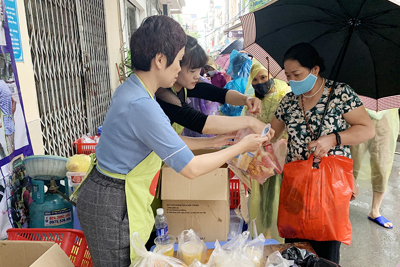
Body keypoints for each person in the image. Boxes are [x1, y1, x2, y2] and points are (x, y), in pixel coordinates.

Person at [75, 16, 273, 267]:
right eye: (179, 61)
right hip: (113, 201)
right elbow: (190, 168)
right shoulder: (143, 105)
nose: (180, 70)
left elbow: (170, 142)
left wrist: (215, 142)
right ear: (160, 60)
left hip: (109, 193)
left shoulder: (133, 89)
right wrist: (242, 145)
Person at [270, 43, 375, 264]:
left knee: (326, 248)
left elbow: (367, 128)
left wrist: (333, 138)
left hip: (330, 185)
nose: (291, 80)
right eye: (288, 75)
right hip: (296, 187)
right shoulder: (288, 101)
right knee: (294, 249)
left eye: (297, 74)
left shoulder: (340, 93)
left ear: (315, 70)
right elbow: (271, 134)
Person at [156, 35, 266, 136]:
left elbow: (219, 94)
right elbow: (200, 122)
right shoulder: (163, 93)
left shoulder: (185, 84)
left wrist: (246, 99)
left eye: (198, 69)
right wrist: (250, 122)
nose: (197, 76)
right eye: (192, 70)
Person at [241, 62, 290, 243]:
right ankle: (260, 234)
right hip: (260, 158)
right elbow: (246, 124)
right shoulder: (253, 100)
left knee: (277, 196)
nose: (260, 82)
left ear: (272, 77)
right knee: (259, 197)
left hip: (281, 157)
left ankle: (277, 236)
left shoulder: (284, 95)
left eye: (263, 77)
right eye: (255, 79)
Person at [350, 108, 399, 229]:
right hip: (358, 112)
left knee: (383, 164)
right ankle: (340, 208)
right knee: (351, 163)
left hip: (387, 116)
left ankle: (375, 211)